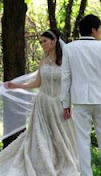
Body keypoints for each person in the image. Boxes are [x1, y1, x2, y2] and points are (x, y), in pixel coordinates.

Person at [0, 29, 80, 175]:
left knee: (60, 136)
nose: (42, 44)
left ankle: (60, 161)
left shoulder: (66, 61)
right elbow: (37, 83)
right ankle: (43, 162)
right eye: (41, 42)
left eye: (44, 41)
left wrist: (69, 104)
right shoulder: (43, 61)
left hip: (59, 103)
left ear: (54, 41)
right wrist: (16, 85)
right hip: (42, 103)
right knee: (40, 135)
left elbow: (70, 84)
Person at [61, 14, 101, 176]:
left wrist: (66, 104)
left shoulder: (69, 49)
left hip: (79, 101)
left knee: (82, 141)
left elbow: (66, 78)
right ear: (93, 30)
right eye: (100, 29)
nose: (100, 32)